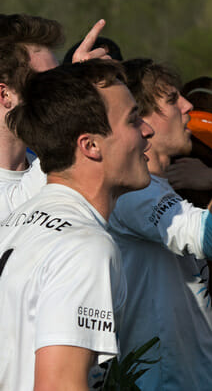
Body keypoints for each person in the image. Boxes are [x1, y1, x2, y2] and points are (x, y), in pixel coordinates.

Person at [108, 58, 212, 391]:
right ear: (141, 119)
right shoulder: (137, 194)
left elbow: (159, 294)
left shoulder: (156, 187)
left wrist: (210, 324)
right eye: (172, 100)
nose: (187, 106)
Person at [0, 60, 153, 390]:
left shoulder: (12, 224)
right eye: (133, 119)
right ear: (90, 146)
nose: (147, 129)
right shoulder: (84, 246)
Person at [0, 15, 115, 216]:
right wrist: (76, 89)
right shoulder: (48, 168)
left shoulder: (43, 163)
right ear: (4, 95)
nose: (57, 93)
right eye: (46, 83)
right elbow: (14, 209)